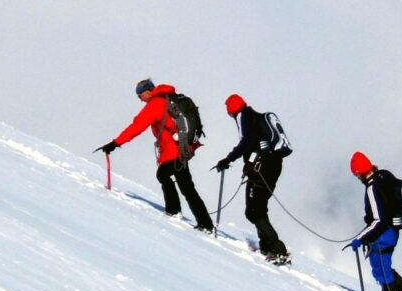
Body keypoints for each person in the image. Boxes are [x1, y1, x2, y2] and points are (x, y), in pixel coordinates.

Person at [98, 78, 214, 232]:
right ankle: (202, 222)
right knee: (184, 185)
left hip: (175, 150)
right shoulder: (169, 99)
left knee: (167, 176)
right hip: (183, 147)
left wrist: (115, 143)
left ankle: (176, 212)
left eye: (139, 96)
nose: (139, 99)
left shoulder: (155, 104)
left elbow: (137, 126)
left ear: (146, 92)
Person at [213, 94, 291, 265]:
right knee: (257, 209)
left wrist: (228, 159)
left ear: (232, 109)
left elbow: (246, 144)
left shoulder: (244, 117)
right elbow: (252, 144)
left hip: (263, 168)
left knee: (254, 210)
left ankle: (278, 251)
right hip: (271, 165)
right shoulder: (253, 117)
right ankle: (267, 246)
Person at [347, 152, 402, 291]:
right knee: (385, 267)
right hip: (393, 231)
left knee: (381, 271)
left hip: (383, 234)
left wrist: (360, 238)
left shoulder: (372, 187)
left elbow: (379, 220)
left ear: (359, 172)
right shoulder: (384, 175)